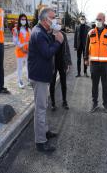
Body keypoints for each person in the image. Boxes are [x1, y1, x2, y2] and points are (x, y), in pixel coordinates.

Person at [28, 8, 64, 153]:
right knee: (40, 109)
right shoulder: (38, 33)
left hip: (42, 75)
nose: (55, 20)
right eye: (52, 18)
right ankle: (40, 142)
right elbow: (47, 52)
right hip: (39, 76)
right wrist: (58, 41)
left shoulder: (42, 31)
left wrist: (53, 35)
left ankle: (45, 131)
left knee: (44, 105)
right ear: (44, 20)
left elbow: (47, 45)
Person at [84, 13, 107, 113]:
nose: (98, 21)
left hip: (105, 64)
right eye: (97, 19)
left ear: (104, 20)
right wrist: (85, 59)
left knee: (105, 85)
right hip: (94, 64)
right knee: (94, 85)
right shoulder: (91, 32)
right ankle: (94, 103)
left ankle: (105, 104)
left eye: (100, 19)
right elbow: (86, 47)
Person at [49, 18, 72, 111]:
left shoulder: (63, 34)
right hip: (52, 63)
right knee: (52, 83)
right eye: (57, 23)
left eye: (60, 23)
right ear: (53, 24)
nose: (58, 25)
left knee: (63, 83)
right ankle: (53, 103)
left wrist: (68, 62)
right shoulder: (49, 34)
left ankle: (64, 101)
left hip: (62, 62)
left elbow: (67, 49)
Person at [12, 14, 31, 89]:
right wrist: (22, 48)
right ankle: (19, 80)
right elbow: (15, 41)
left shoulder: (28, 29)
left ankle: (29, 79)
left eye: (25, 19)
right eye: (22, 19)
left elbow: (30, 40)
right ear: (19, 20)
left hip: (27, 51)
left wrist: (29, 49)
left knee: (28, 66)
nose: (23, 20)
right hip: (20, 50)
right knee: (20, 67)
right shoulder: (16, 29)